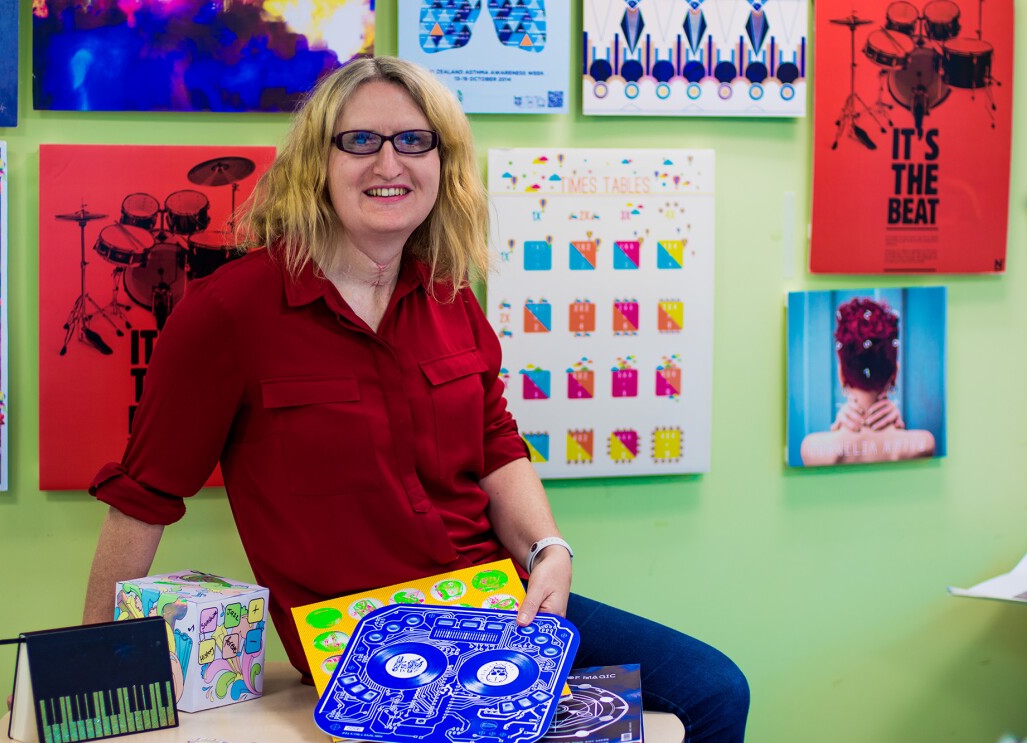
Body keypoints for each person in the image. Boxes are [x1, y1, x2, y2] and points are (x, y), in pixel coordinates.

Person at [82, 56, 749, 741]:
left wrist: (548, 547)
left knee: (712, 691)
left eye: (412, 140)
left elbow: (495, 442)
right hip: (361, 639)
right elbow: (143, 497)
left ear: (441, 162)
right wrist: (92, 671)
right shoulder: (227, 312)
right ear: (317, 161)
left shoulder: (450, 296)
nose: (388, 163)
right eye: (359, 141)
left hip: (495, 603)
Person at [800, 297, 935, 466]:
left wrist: (838, 428)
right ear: (894, 373)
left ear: (842, 375)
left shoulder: (811, 449)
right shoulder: (923, 445)